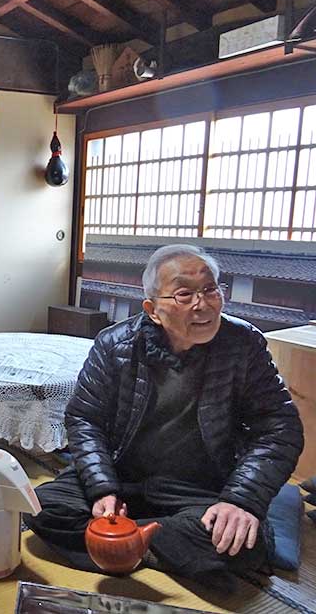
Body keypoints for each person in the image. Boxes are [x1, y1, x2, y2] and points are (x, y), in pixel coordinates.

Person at [25, 244, 303, 586]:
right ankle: (155, 546)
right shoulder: (114, 344)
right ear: (153, 309)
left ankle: (120, 543)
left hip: (201, 488)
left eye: (210, 290)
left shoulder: (244, 344)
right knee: (41, 507)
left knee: (243, 542)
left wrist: (241, 500)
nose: (202, 304)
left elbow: (279, 428)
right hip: (123, 477)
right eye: (184, 294)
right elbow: (85, 419)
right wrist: (102, 489)